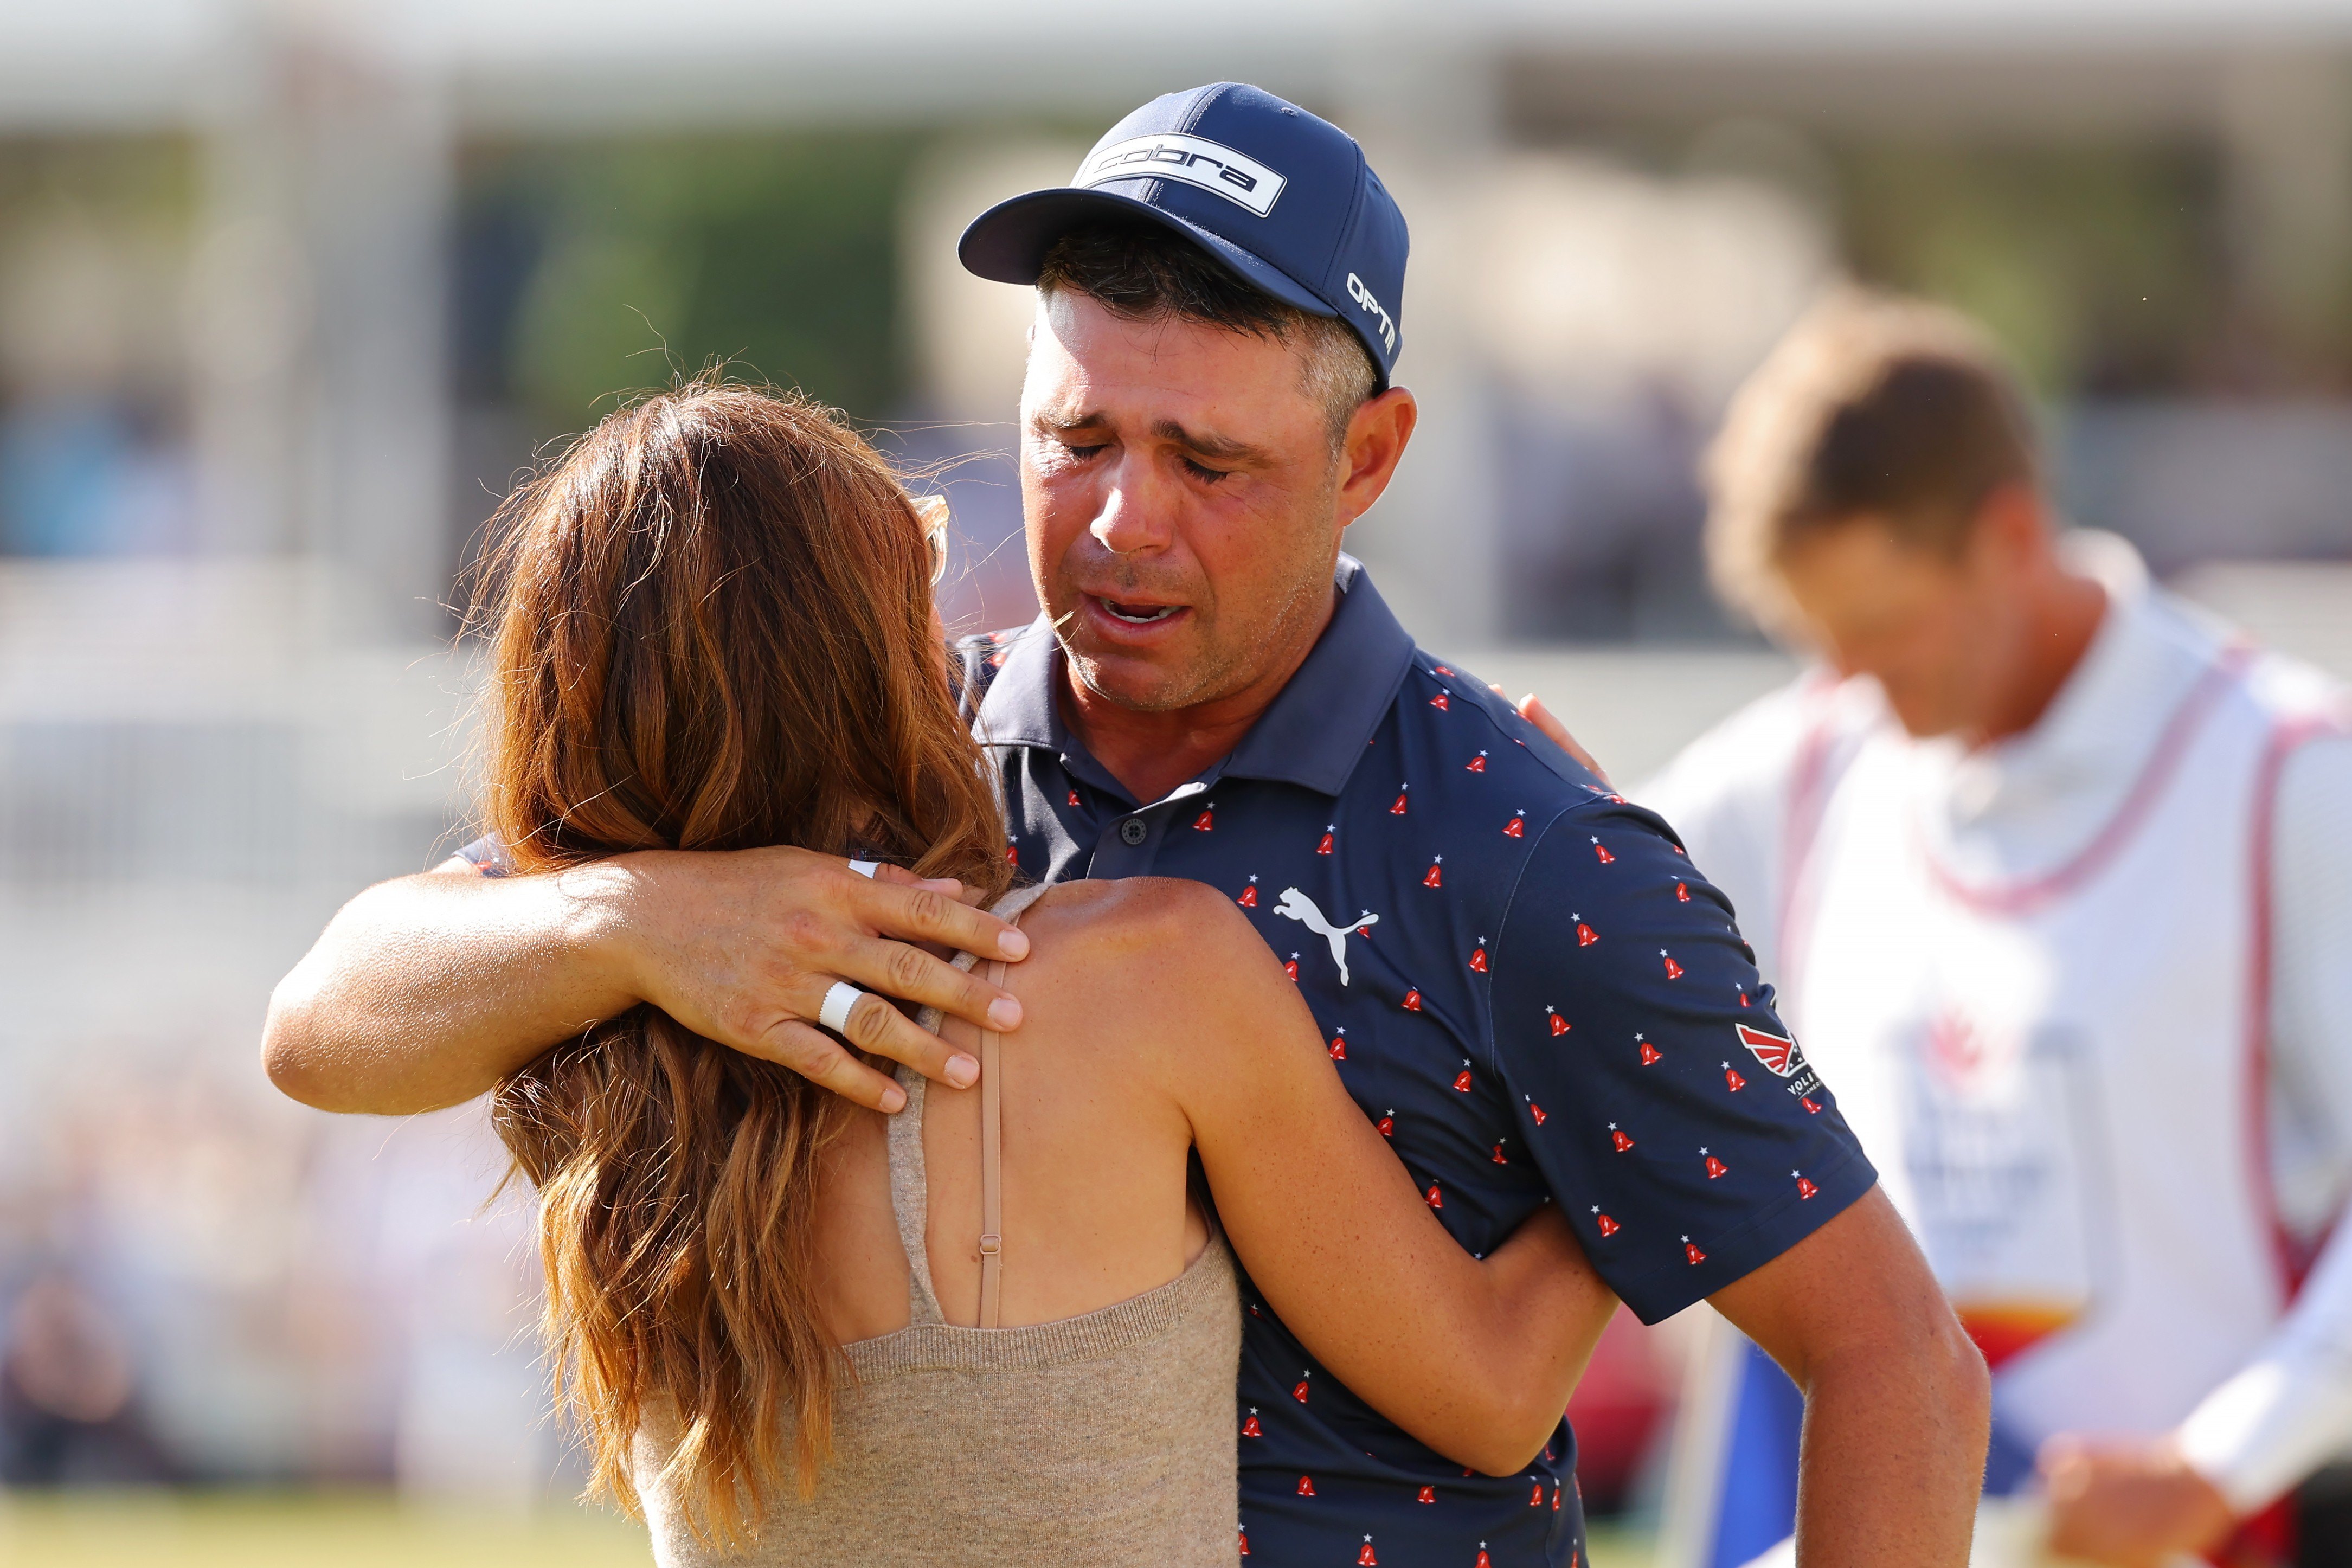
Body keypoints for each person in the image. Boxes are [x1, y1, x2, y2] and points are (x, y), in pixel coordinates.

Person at [264, 84, 1987, 1567]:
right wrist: (627, 923)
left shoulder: (1535, 855)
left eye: (1208, 464)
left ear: (1367, 456)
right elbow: (330, 1016)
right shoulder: (861, 757)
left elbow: (1897, 1359)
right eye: (1072, 438)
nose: (1117, 523)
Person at [424, 377, 1621, 1560]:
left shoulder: (579, 1041)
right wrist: (1608, 982)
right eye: (920, 566)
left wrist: (621, 924)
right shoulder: (1150, 974)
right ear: (859, 649)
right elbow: (1495, 1394)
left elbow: (321, 1023)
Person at [1642, 290, 2352, 1568]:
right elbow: (1545, 900)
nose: (1848, 683)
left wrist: (2216, 1463)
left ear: (2012, 536)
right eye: (1818, 644)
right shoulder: (1809, 765)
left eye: (1882, 632)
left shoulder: (2289, 773)